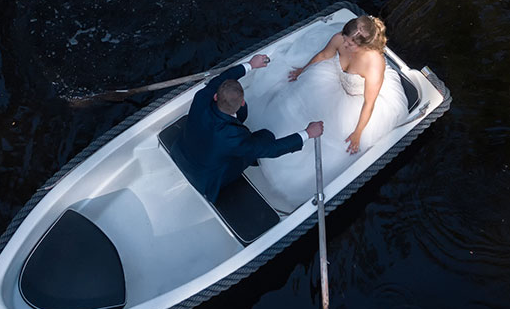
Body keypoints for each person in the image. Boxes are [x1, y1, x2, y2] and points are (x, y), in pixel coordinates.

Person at [244, 15, 408, 210]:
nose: (345, 45)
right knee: (295, 103)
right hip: (335, 81)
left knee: (337, 142)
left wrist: (358, 133)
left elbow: (369, 103)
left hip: (358, 98)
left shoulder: (374, 63)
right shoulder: (340, 39)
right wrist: (302, 70)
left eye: (350, 43)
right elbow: (323, 55)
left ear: (365, 46)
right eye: (345, 39)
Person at [171, 53, 323, 203]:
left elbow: (220, 79)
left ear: (216, 96)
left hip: (182, 151)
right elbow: (271, 149)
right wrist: (307, 134)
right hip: (205, 179)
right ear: (242, 102)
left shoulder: (202, 97)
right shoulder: (233, 137)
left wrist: (250, 65)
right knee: (265, 136)